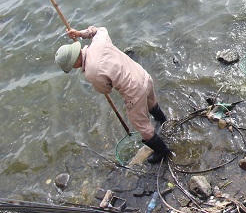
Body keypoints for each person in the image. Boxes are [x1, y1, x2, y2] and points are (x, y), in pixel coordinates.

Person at [54, 26, 170, 164]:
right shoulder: (99, 42)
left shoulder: (91, 72)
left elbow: (105, 90)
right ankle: (163, 121)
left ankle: (163, 152)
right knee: (151, 102)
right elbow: (99, 29)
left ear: (74, 63)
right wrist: (80, 33)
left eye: (71, 66)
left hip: (134, 92)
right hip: (143, 75)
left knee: (141, 125)